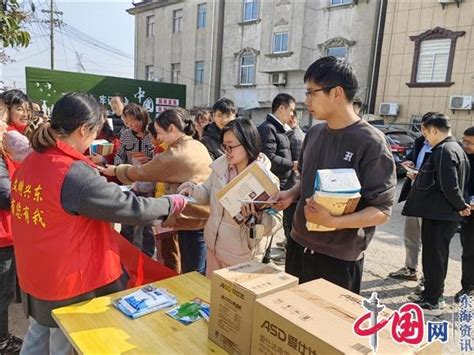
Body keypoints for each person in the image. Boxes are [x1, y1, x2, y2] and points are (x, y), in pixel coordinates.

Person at [11, 93, 186, 355]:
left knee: (38, 334)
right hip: (65, 281)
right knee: (62, 343)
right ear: (83, 129)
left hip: (35, 273)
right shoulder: (72, 173)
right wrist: (172, 203)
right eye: (94, 133)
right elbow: (130, 208)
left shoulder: (33, 160)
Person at [274, 56, 396, 294]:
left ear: (337, 93)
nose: (306, 101)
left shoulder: (371, 143)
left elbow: (381, 211)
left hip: (337, 260)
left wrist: (334, 222)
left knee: (328, 328)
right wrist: (290, 194)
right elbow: (309, 180)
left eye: (312, 93)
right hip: (298, 245)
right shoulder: (315, 133)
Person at [100, 107, 212, 274]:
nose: (158, 138)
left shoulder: (176, 153)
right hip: (203, 213)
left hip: (191, 216)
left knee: (192, 269)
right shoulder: (196, 145)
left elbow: (142, 172)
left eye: (159, 132)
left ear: (172, 128)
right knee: (196, 263)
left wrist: (116, 170)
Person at [178, 119, 282, 276]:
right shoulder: (221, 167)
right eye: (224, 146)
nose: (226, 151)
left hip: (242, 256)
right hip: (214, 247)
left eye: (231, 146)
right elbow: (207, 191)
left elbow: (276, 221)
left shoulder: (266, 179)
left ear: (248, 144)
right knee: (212, 294)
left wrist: (257, 219)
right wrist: (192, 190)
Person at [403, 114, 470, 315]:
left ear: (433, 130)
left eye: (425, 132)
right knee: (437, 257)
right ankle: (431, 295)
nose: (425, 137)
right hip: (443, 214)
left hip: (439, 215)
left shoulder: (443, 150)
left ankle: (433, 300)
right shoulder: (456, 147)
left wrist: (460, 205)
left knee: (434, 258)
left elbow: (449, 185)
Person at [388, 112, 434, 281]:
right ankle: (410, 268)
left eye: (426, 128)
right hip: (414, 196)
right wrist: (408, 163)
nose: (423, 131)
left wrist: (420, 175)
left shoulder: (444, 147)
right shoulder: (420, 141)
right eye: (421, 127)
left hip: (430, 202)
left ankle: (428, 278)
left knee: (429, 241)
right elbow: (411, 158)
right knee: (411, 235)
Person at [113, 103, 156, 256]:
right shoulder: (125, 134)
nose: (132, 125)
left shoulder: (153, 134)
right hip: (131, 182)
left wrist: (148, 161)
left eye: (135, 121)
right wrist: (119, 167)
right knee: (127, 221)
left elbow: (159, 158)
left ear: (142, 118)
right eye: (128, 122)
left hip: (149, 183)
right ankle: (126, 254)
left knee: (146, 225)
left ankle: (147, 256)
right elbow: (120, 154)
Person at [0, 116, 22, 354]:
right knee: (2, 291)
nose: (6, 127)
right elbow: (6, 196)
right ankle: (2, 342)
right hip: (2, 236)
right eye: (2, 120)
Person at [455, 126, 474, 302]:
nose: (465, 144)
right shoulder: (463, 157)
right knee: (468, 252)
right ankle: (468, 286)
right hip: (469, 214)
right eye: (464, 140)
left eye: (469, 142)